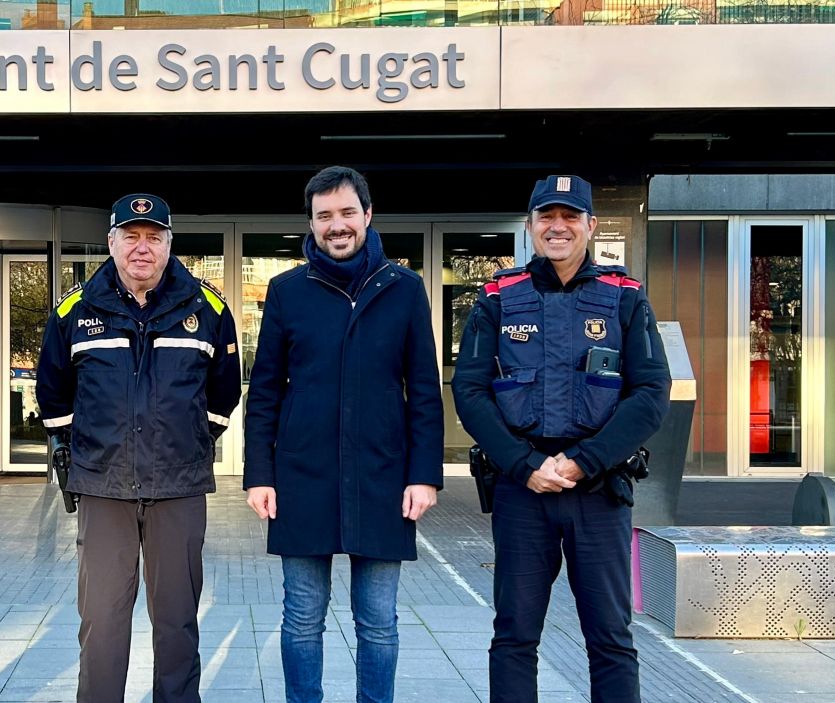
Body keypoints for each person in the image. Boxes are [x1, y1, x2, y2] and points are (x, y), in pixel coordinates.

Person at [451, 175, 671, 703]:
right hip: (522, 493)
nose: (558, 226)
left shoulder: (625, 299)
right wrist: (524, 464)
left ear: (591, 226)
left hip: (599, 492)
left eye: (570, 216)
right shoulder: (497, 299)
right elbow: (470, 390)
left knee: (612, 640)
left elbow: (650, 394)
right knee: (514, 637)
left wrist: (582, 461)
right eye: (546, 216)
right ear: (529, 227)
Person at [243, 166, 443, 703]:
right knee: (302, 618)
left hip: (382, 477)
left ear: (368, 215)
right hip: (303, 478)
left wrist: (424, 476)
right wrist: (259, 474)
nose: (337, 226)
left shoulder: (404, 289)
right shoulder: (288, 291)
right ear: (310, 223)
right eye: (325, 216)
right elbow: (264, 390)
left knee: (378, 622)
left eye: (346, 213)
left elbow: (424, 389)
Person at [35, 194, 242, 703]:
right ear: (112, 243)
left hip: (179, 488)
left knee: (176, 623)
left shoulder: (208, 309)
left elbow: (224, 392)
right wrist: (81, 450)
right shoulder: (74, 310)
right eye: (131, 236)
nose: (142, 248)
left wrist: (192, 441)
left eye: (154, 237)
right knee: (102, 623)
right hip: (104, 490)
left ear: (170, 244)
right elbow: (52, 392)